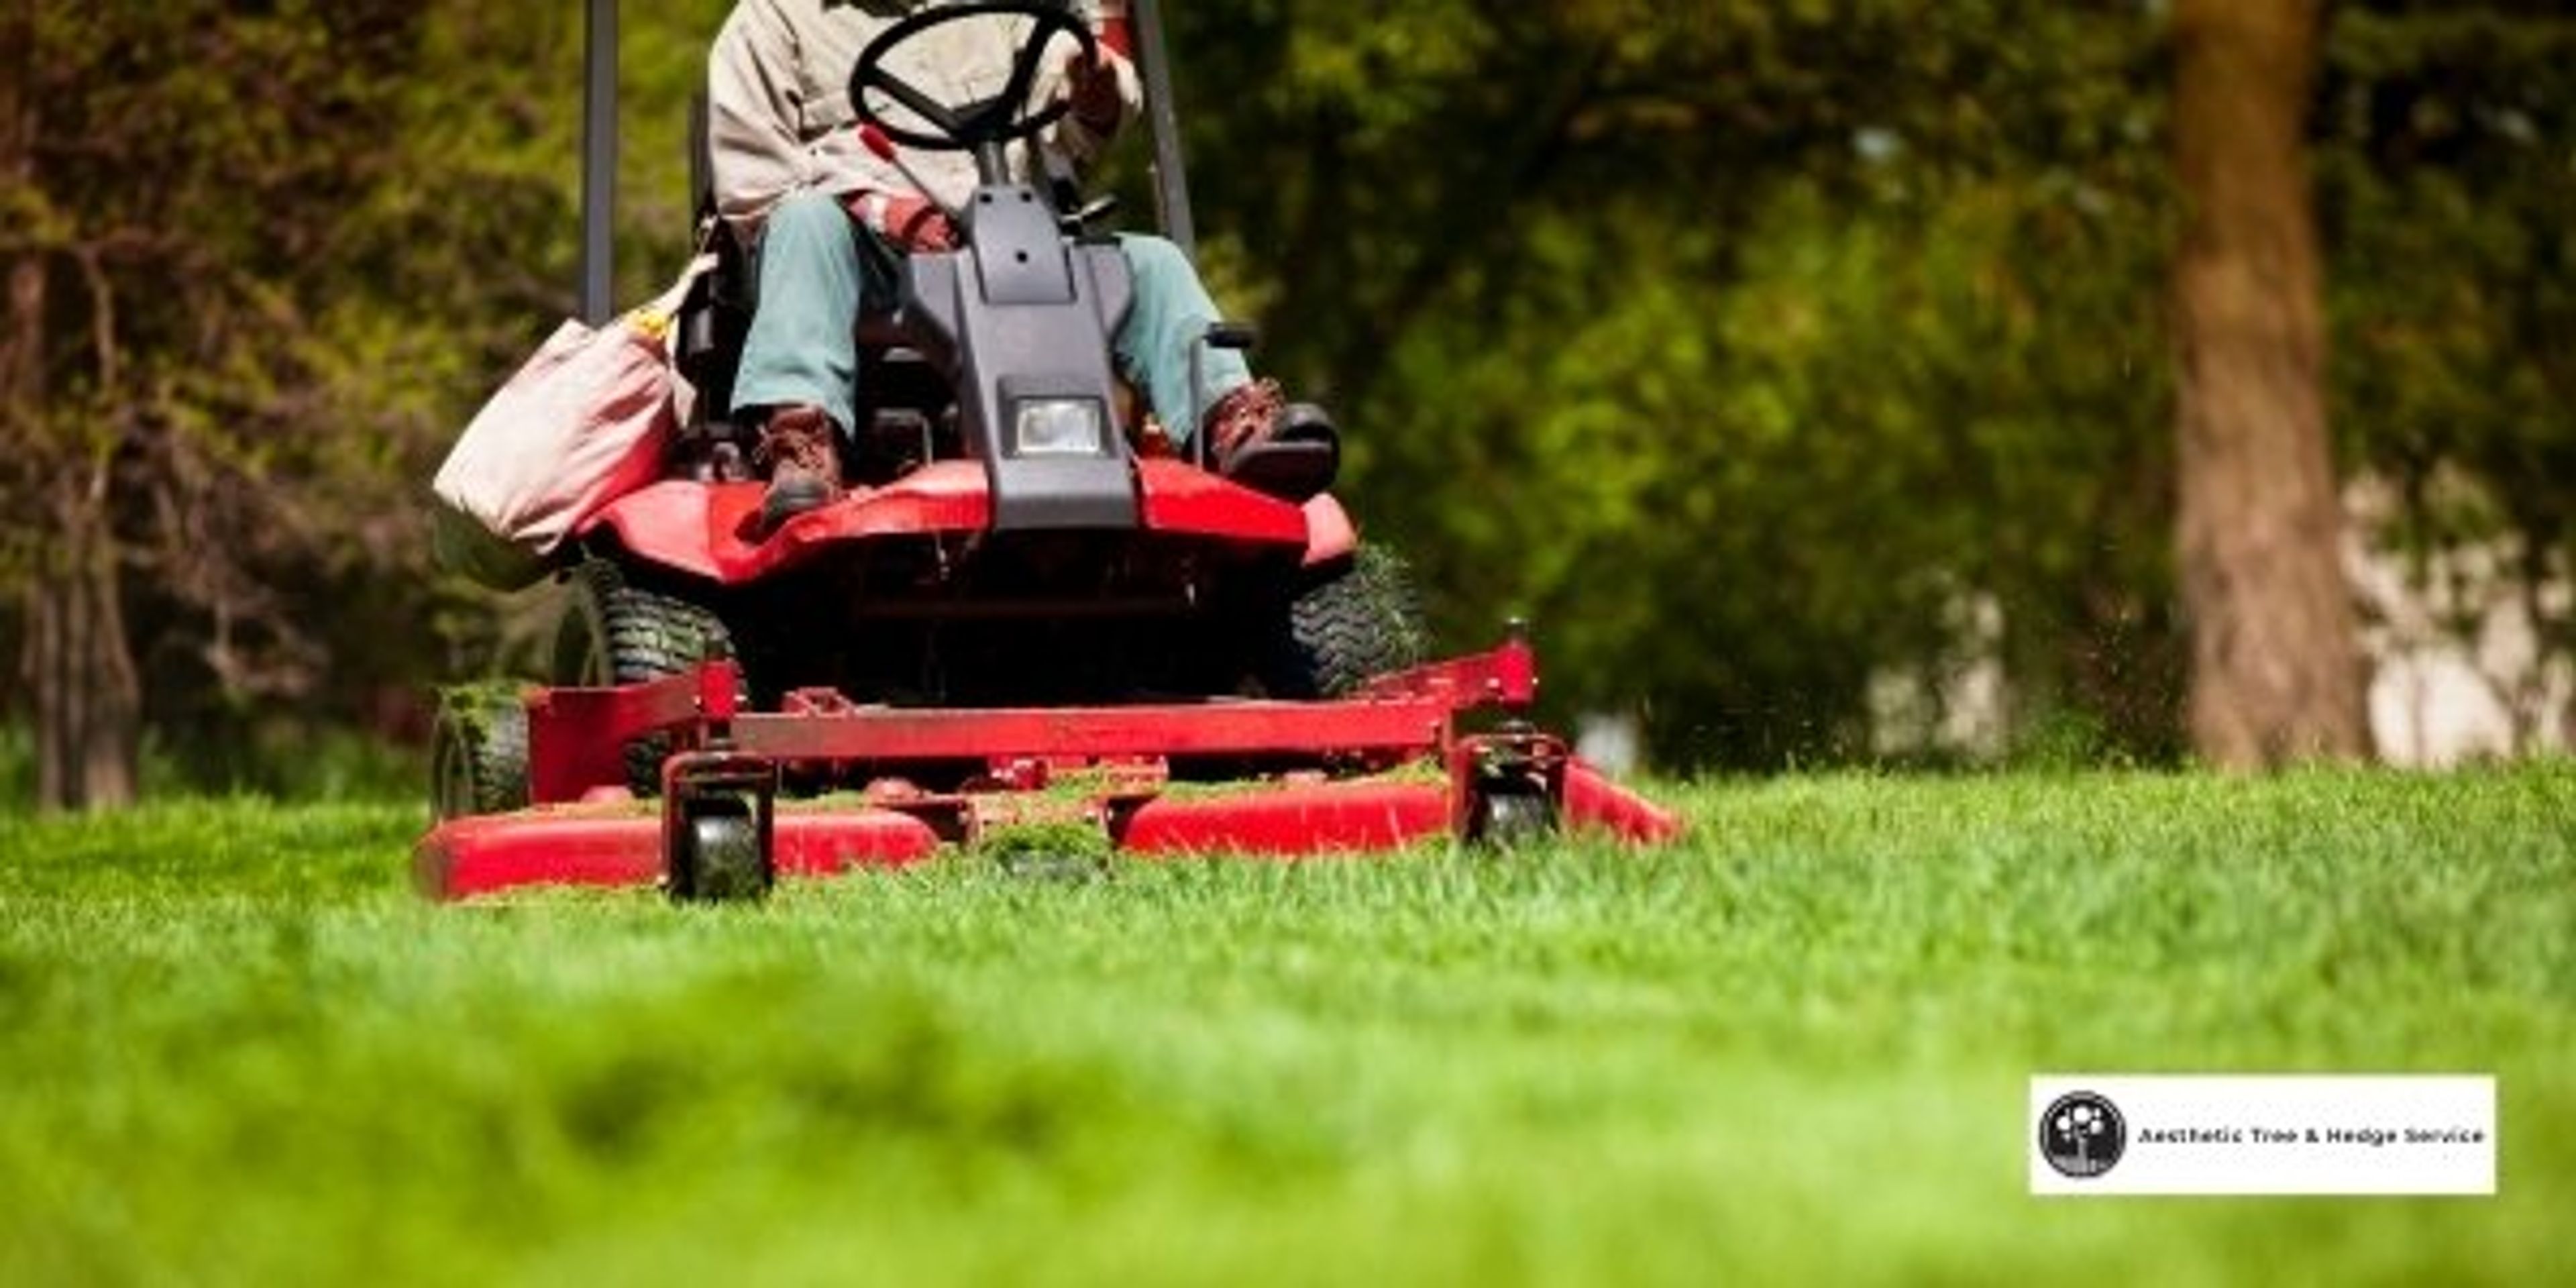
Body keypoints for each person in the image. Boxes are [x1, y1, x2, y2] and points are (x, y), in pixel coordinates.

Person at [708, 0, 1328, 529]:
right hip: (863, 260)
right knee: (804, 222)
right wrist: (880, 209)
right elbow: (754, 189)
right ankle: (802, 443)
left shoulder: (1001, 9)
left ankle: (1233, 423)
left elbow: (1077, 123)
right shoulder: (773, 17)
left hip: (1007, 232)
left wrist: (1095, 88)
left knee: (1151, 262)